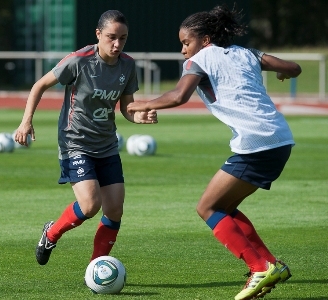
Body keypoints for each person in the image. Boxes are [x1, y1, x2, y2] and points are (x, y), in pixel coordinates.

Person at [127, 4, 301, 300]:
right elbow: (293, 68)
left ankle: (259, 268)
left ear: (205, 40)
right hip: (280, 138)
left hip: (255, 142)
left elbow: (179, 95)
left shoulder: (201, 58)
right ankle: (273, 265)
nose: (183, 50)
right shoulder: (247, 53)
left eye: (186, 42)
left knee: (207, 208)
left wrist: (139, 104)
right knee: (226, 208)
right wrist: (283, 74)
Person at [14, 10, 157, 266]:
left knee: (114, 210)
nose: (117, 44)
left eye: (123, 38)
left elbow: (126, 109)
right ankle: (51, 233)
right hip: (75, 142)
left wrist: (139, 118)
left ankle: (96, 267)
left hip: (107, 145)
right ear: (98, 34)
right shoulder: (79, 61)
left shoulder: (127, 65)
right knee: (90, 205)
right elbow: (39, 85)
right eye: (111, 37)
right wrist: (26, 121)